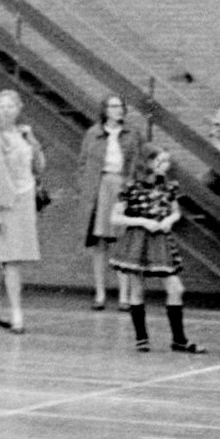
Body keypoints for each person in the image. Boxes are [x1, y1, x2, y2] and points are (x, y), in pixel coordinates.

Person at [111, 140, 200, 354]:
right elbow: (115, 217)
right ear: (147, 162)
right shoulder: (130, 187)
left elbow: (175, 211)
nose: (165, 165)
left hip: (160, 240)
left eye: (167, 161)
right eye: (161, 161)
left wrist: (170, 219)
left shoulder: (168, 187)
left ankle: (179, 339)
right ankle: (141, 338)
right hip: (138, 240)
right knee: (138, 289)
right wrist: (142, 221)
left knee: (176, 288)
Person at [0, 88, 44, 334]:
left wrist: (33, 142)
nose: (6, 111)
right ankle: (16, 314)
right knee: (10, 260)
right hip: (3, 204)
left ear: (19, 108)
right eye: (1, 106)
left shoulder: (23, 135)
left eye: (10, 106)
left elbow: (39, 167)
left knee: (3, 258)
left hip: (24, 201)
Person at [79, 94, 133, 310]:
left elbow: (137, 162)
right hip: (100, 187)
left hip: (122, 186)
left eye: (120, 106)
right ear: (104, 110)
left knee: (122, 242)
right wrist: (85, 186)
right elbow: (83, 163)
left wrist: (130, 188)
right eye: (113, 106)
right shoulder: (93, 133)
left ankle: (124, 296)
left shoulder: (131, 134)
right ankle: (100, 293)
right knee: (99, 242)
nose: (118, 109)